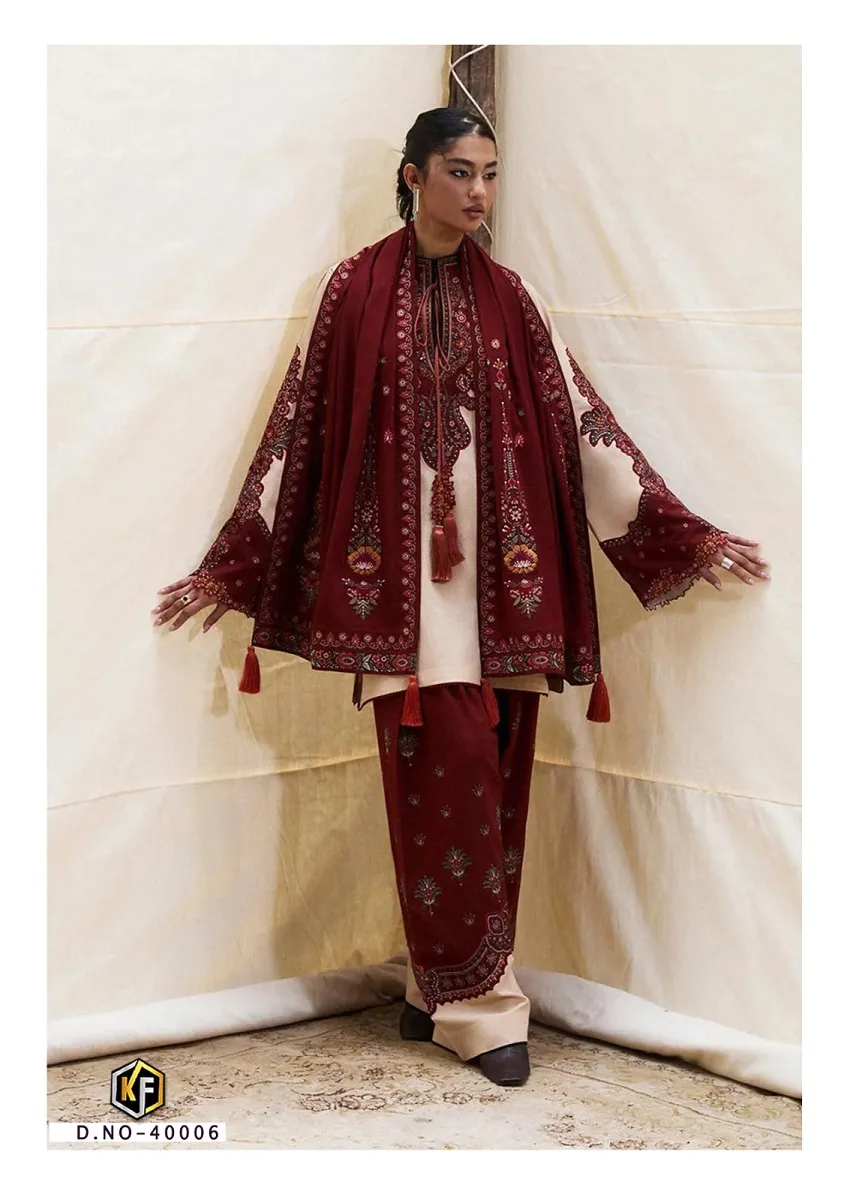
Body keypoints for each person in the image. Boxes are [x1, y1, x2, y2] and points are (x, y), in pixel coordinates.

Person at [152, 107, 769, 1087]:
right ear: (413, 176)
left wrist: (673, 530)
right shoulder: (353, 289)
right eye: (458, 171)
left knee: (497, 792)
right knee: (445, 789)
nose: (478, 192)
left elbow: (577, 419)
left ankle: (433, 989)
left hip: (512, 597)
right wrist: (238, 559)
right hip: (406, 612)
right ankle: (480, 1008)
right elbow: (304, 423)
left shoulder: (512, 297)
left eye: (489, 173)